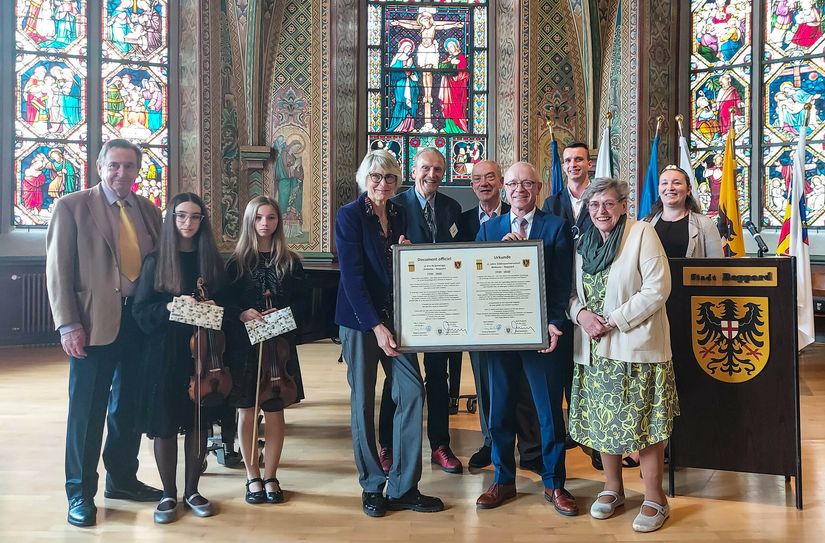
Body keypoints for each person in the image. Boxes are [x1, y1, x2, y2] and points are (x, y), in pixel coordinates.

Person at [46, 139, 163, 528]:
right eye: (114, 165)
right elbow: (59, 270)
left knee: (128, 406)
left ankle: (122, 479)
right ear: (99, 167)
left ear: (138, 170)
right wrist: (68, 324)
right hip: (93, 323)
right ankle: (79, 492)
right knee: (87, 411)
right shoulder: (72, 207)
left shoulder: (148, 210)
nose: (122, 173)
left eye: (130, 166)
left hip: (138, 323)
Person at [336, 149, 443, 517]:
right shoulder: (349, 216)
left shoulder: (397, 213)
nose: (383, 184)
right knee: (363, 401)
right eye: (376, 178)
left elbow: (398, 265)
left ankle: (403, 485)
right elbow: (352, 279)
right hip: (359, 320)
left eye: (390, 178)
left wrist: (406, 254)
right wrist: (376, 326)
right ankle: (371, 484)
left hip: (397, 320)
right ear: (364, 180)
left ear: (399, 181)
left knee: (412, 392)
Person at [568, 178, 679, 533]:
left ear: (623, 206)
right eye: (595, 204)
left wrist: (613, 320)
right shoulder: (582, 242)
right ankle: (612, 487)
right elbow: (570, 293)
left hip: (633, 346)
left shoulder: (642, 234)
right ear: (587, 209)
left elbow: (658, 287)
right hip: (596, 350)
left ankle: (654, 497)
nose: (601, 211)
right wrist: (581, 315)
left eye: (608, 204)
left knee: (644, 422)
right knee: (605, 422)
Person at [474, 162, 577, 516]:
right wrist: (499, 255)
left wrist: (553, 323)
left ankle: (554, 482)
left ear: (538, 188)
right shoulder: (489, 231)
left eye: (528, 184)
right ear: (505, 188)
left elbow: (564, 283)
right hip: (499, 336)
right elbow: (476, 282)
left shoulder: (556, 227)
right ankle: (502, 479)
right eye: (514, 183)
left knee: (548, 412)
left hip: (541, 336)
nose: (520, 190)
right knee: (499, 409)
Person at [131, 192, 227, 524]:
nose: (188, 223)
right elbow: (140, 313)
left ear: (203, 221)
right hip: (165, 356)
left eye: (195, 217)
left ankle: (193, 490)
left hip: (204, 357)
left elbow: (227, 308)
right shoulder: (156, 261)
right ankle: (168, 493)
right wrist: (170, 307)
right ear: (171, 219)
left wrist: (217, 308)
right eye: (182, 216)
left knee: (199, 423)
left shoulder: (212, 261)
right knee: (166, 425)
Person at [380, 148, 464, 475]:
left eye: (439, 170)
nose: (432, 175)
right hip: (403, 309)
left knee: (438, 377)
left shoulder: (452, 208)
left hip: (441, 307)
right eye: (426, 168)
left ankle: (440, 445)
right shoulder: (394, 207)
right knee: (396, 379)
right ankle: (387, 445)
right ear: (413, 171)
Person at [458, 160, 543, 473]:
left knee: (527, 388)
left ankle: (532, 450)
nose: (484, 183)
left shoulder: (541, 219)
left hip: (529, 322)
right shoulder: (479, 226)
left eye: (491, 177)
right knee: (491, 386)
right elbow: (472, 269)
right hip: (489, 321)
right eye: (477, 178)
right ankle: (493, 445)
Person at [224, 196, 306, 505]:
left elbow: (302, 304)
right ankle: (252, 474)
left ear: (278, 222)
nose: (264, 223)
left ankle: (271, 474)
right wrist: (242, 313)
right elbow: (225, 304)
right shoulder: (236, 263)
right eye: (258, 218)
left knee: (275, 412)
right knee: (247, 411)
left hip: (279, 350)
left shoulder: (290, 261)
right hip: (246, 348)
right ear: (250, 221)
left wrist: (282, 313)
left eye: (270, 218)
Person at [645, 165, 724, 258]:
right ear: (659, 189)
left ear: (688, 189)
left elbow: (717, 267)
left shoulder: (705, 225)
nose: (670, 188)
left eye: (677, 183)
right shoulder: (645, 224)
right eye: (664, 183)